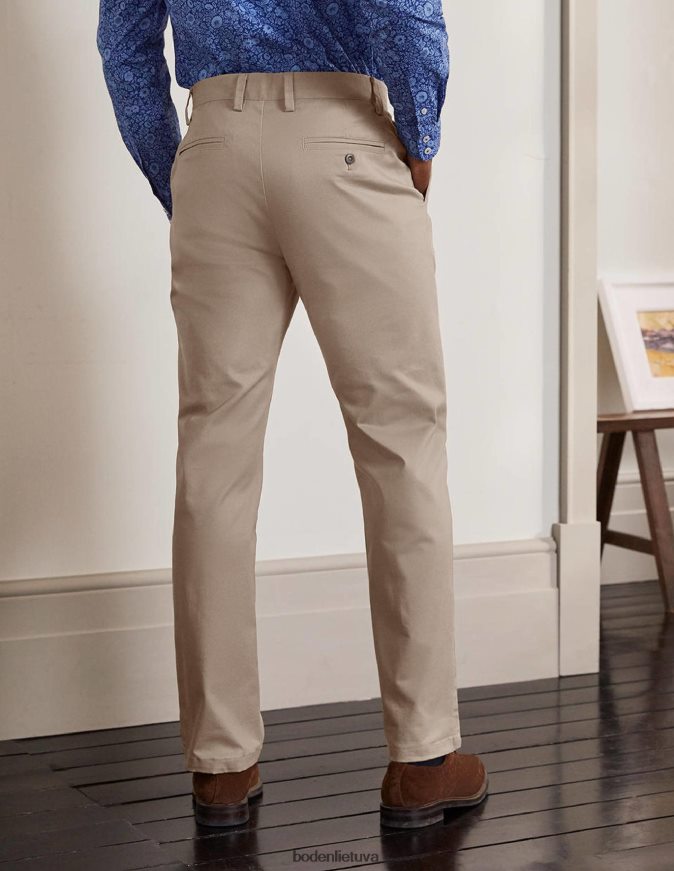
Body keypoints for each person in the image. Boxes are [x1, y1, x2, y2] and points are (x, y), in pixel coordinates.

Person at [96, 0, 488, 830]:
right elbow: (402, 9)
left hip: (214, 149)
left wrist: (184, 172)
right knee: (401, 443)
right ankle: (423, 758)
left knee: (213, 456)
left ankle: (220, 765)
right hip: (343, 133)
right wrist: (420, 136)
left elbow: (123, 43)